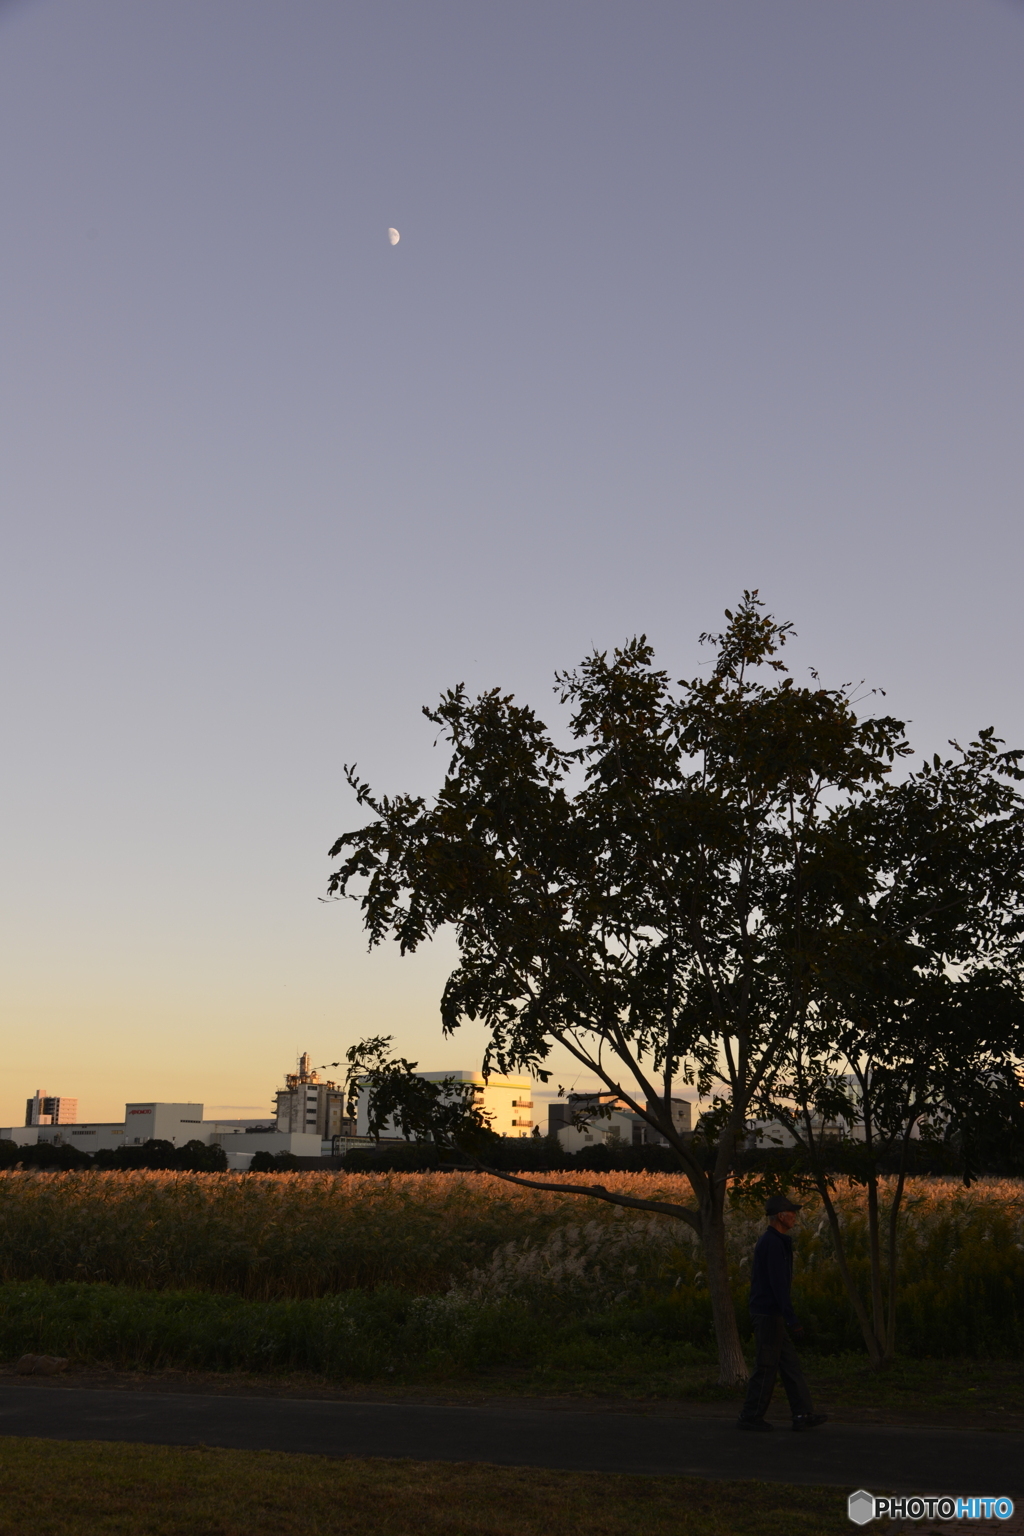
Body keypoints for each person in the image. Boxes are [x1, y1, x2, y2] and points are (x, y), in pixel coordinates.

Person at [737, 1193, 827, 1433]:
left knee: (789, 1365)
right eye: (792, 1213)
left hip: (771, 1312)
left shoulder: (776, 1241)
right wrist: (792, 1319)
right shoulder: (773, 1243)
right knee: (766, 1366)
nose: (795, 1217)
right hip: (768, 1313)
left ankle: (802, 1414)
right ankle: (750, 1416)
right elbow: (778, 1285)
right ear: (780, 1216)